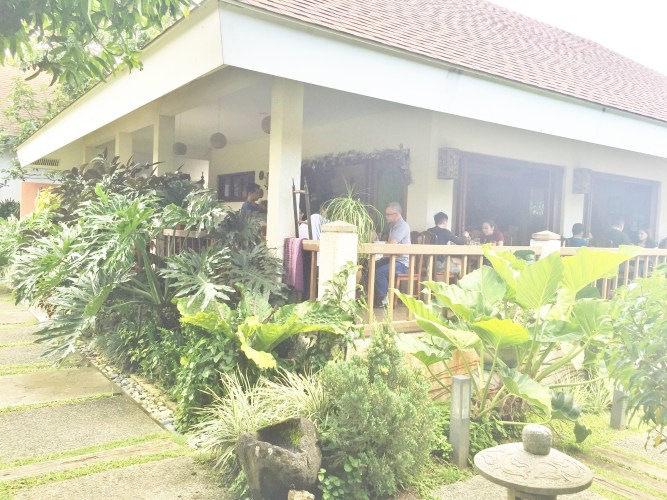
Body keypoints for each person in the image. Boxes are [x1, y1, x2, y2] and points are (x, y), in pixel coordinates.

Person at [374, 202, 411, 307]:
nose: (386, 216)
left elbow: (392, 244)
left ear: (396, 214)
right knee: (373, 266)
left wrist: (381, 251)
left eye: (388, 214)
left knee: (380, 272)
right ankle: (376, 296)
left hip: (402, 263)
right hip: (393, 259)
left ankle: (384, 301)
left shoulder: (402, 226)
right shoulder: (393, 226)